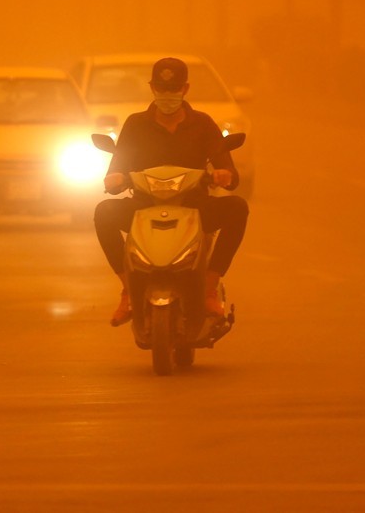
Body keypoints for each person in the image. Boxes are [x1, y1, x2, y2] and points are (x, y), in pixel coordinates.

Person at [94, 57, 250, 326]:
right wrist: (114, 179)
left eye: (174, 90)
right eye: (162, 90)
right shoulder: (135, 124)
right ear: (152, 88)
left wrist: (224, 175)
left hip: (195, 207)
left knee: (237, 207)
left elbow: (228, 170)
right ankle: (128, 289)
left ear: (185, 89)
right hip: (143, 207)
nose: (168, 96)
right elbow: (116, 166)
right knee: (104, 212)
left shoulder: (202, 124)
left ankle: (209, 288)